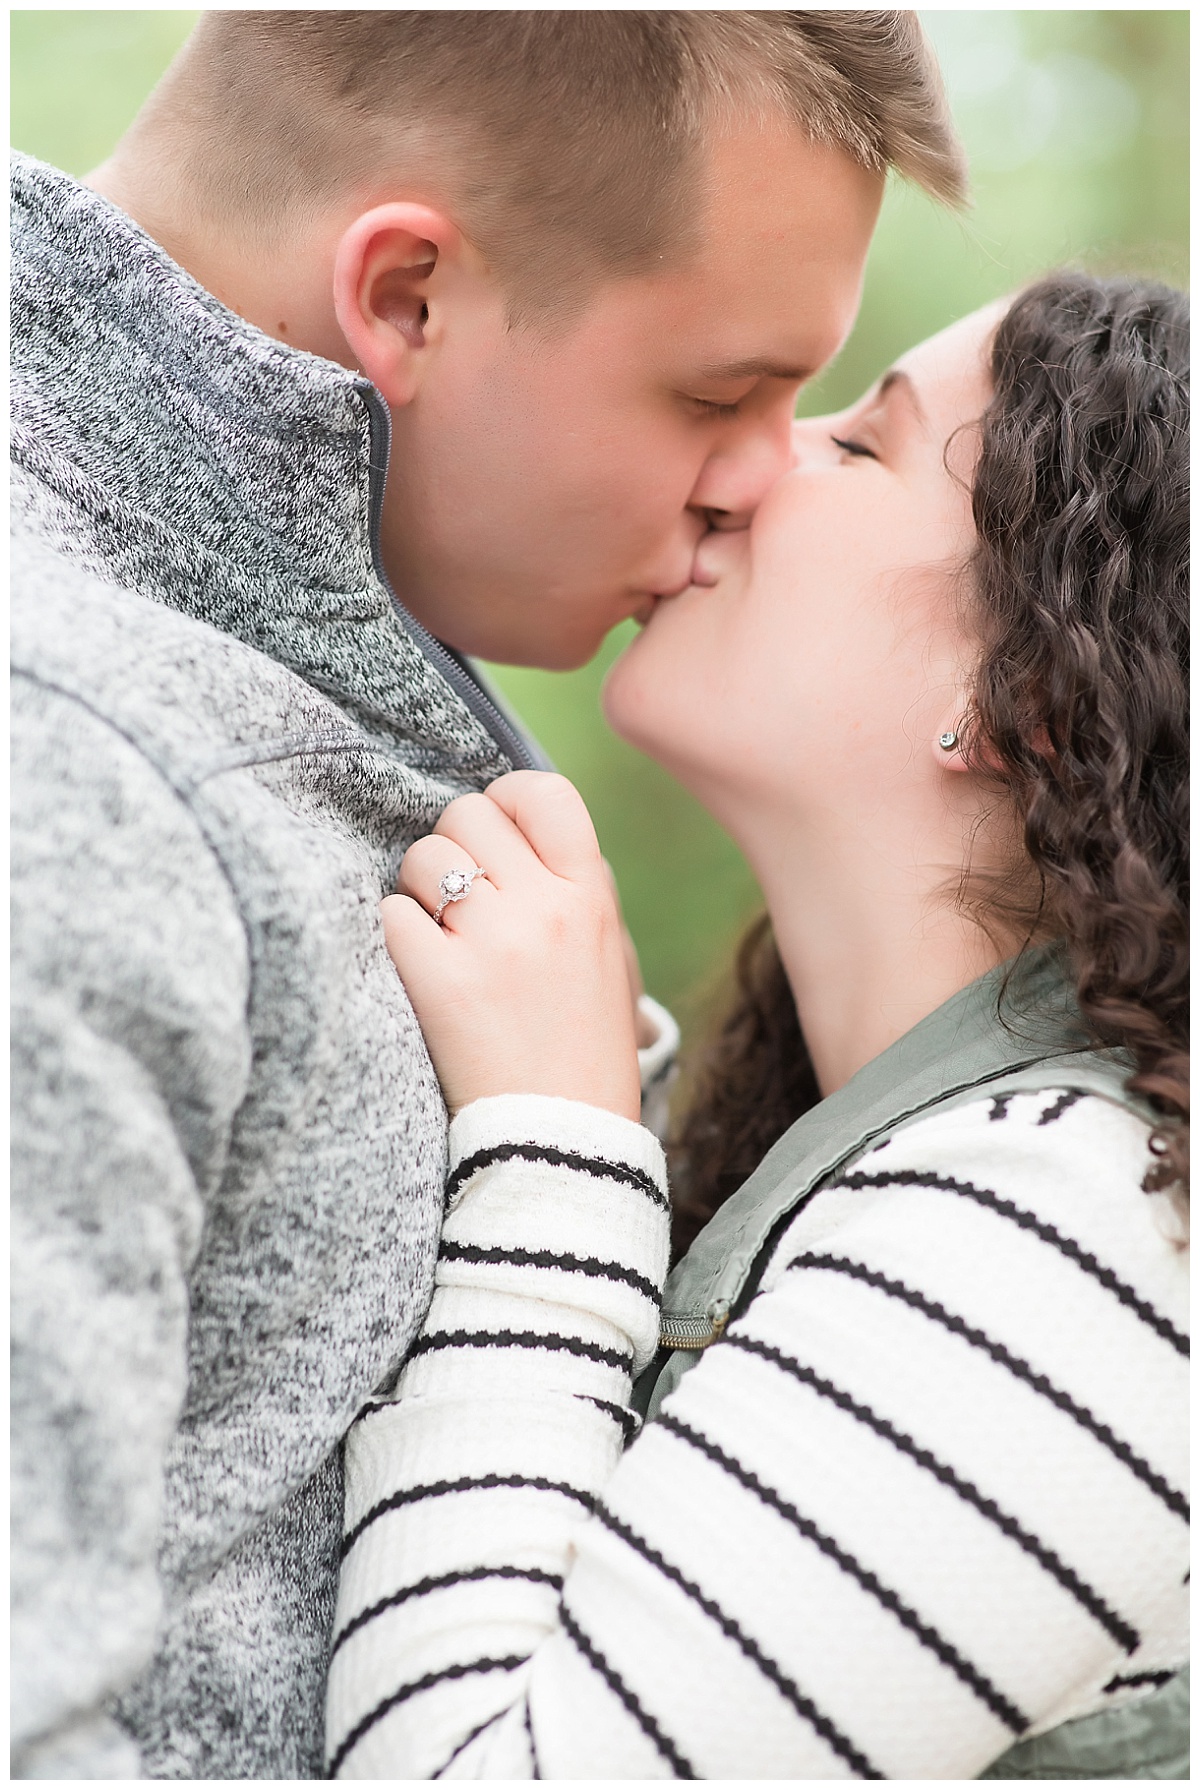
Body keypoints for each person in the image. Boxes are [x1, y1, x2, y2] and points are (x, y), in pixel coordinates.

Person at [10, 11, 969, 1779]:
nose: (771, 473)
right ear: (408, 301)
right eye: (717, 392)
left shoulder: (331, 641)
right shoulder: (71, 770)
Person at [327, 273, 1189, 1779]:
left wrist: (555, 1151)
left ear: (1030, 692)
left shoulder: (1079, 1234)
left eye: (858, 445)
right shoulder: (977, 1173)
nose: (741, 472)